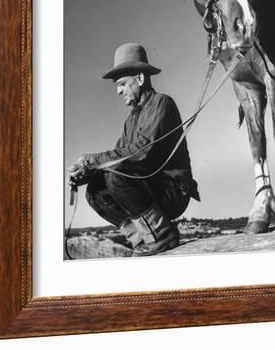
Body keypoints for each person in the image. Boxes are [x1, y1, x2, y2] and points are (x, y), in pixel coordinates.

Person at [68, 43, 200, 256]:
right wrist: (85, 174)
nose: (118, 91)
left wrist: (90, 160)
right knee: (94, 191)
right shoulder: (131, 120)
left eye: (122, 84)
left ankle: (163, 235)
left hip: (174, 192)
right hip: (151, 189)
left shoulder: (162, 104)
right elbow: (115, 158)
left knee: (115, 177)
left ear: (140, 79)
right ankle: (141, 238)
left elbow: (140, 152)